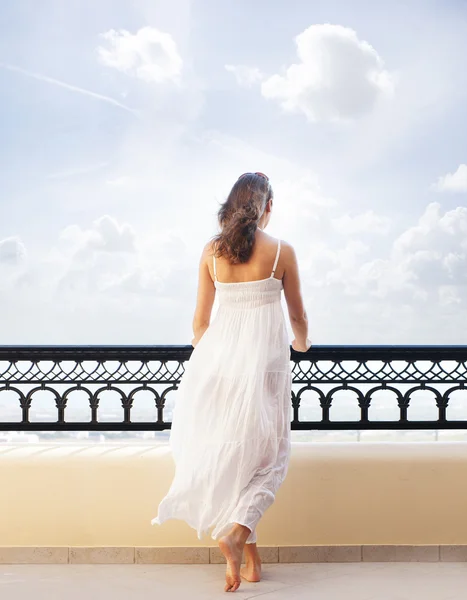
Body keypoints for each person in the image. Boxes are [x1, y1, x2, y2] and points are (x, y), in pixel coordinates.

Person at [151, 172, 311, 592]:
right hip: (266, 369)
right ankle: (237, 534)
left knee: (238, 455)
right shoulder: (282, 253)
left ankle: (250, 562)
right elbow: (298, 317)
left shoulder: (212, 251)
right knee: (271, 455)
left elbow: (200, 323)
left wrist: (215, 363)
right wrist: (303, 343)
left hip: (219, 367)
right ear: (267, 208)